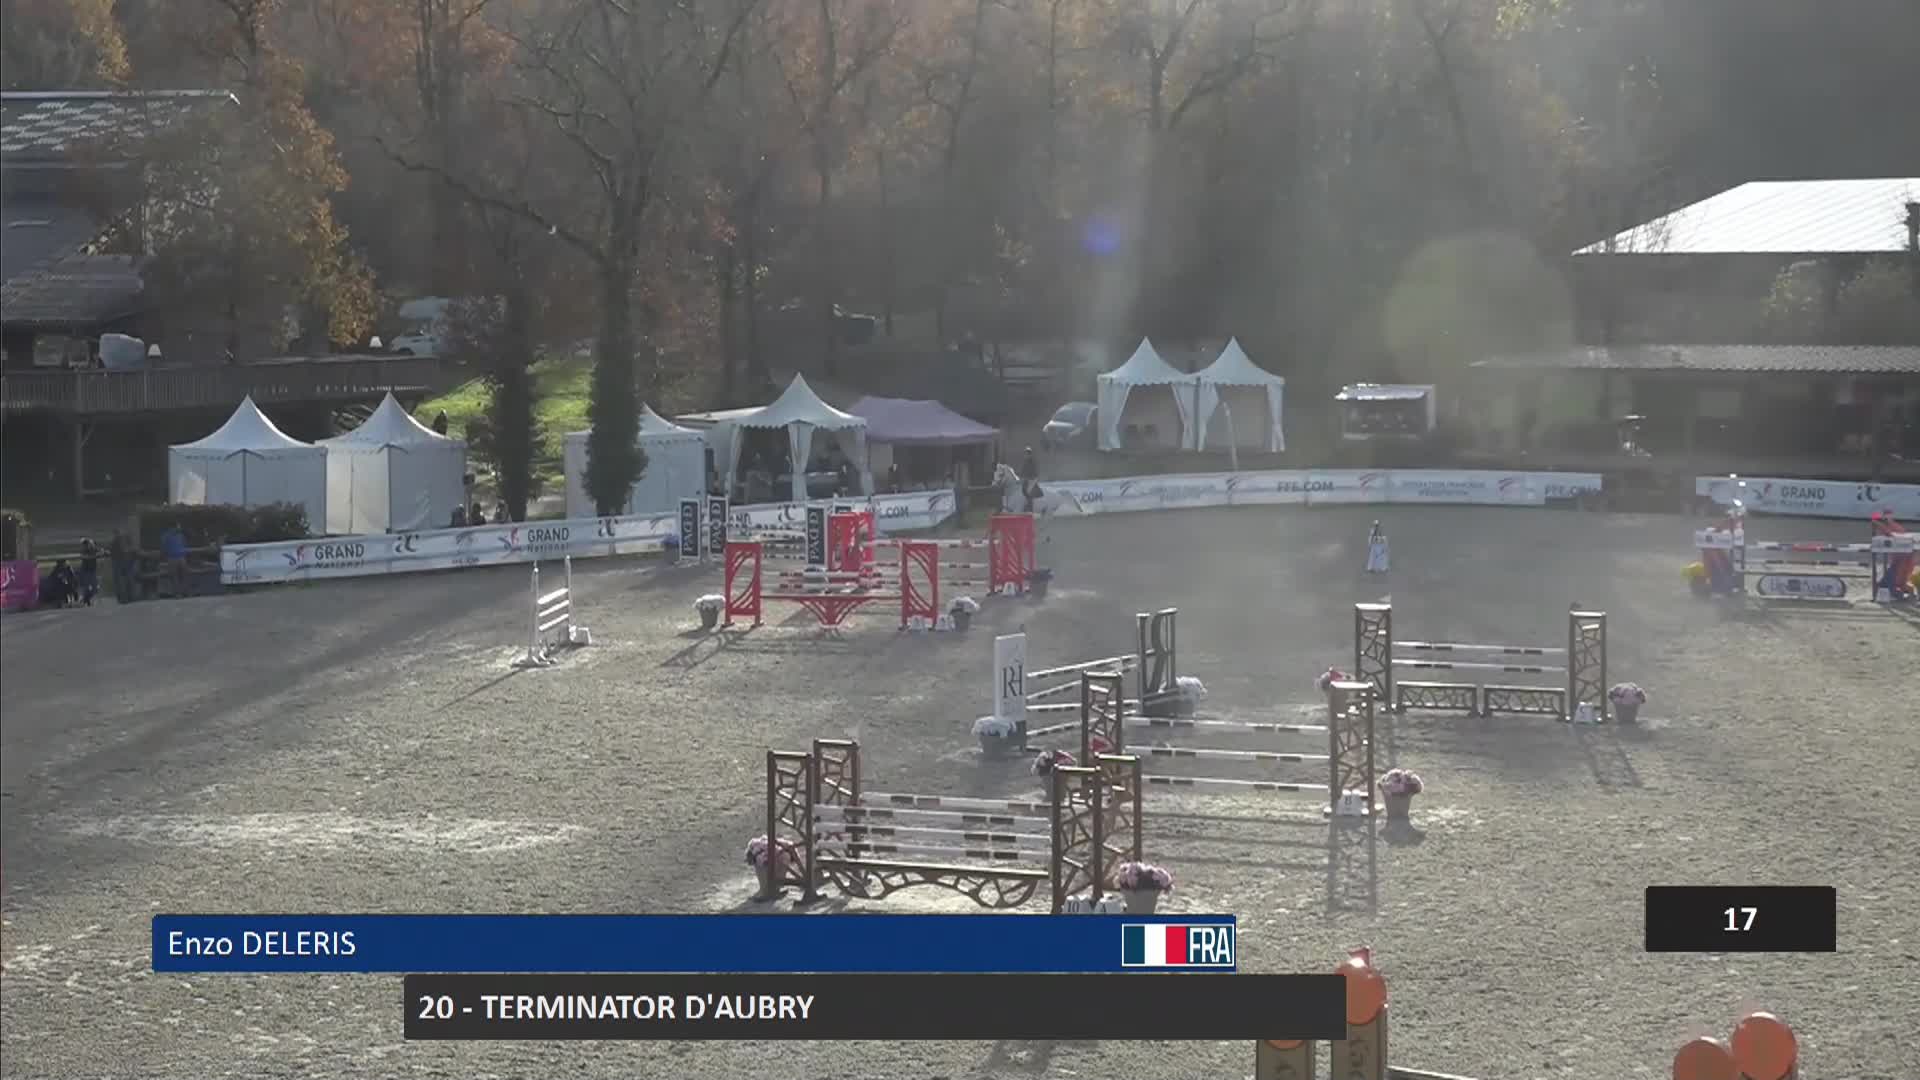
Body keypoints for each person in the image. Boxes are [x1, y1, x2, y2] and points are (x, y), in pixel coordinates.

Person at [160, 521, 189, 596]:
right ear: (174, 527)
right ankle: (180, 593)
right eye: (178, 526)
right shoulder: (168, 536)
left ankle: (181, 593)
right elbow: (163, 547)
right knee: (177, 576)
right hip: (176, 558)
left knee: (179, 576)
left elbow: (163, 547)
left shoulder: (178, 535)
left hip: (177, 557)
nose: (180, 527)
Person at [109, 530, 135, 604]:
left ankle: (123, 598)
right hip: (124, 562)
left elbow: (112, 552)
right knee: (126, 580)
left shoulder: (115, 541)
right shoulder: (123, 540)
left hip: (119, 563)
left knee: (120, 581)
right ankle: (128, 597)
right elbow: (127, 551)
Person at [76, 538, 100, 606]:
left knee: (94, 586)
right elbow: (83, 556)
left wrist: (101, 552)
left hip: (91, 570)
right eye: (84, 544)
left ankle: (88, 599)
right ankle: (85, 599)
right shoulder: (84, 550)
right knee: (86, 587)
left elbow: (100, 551)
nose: (86, 545)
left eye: (87, 544)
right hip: (86, 570)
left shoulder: (93, 549)